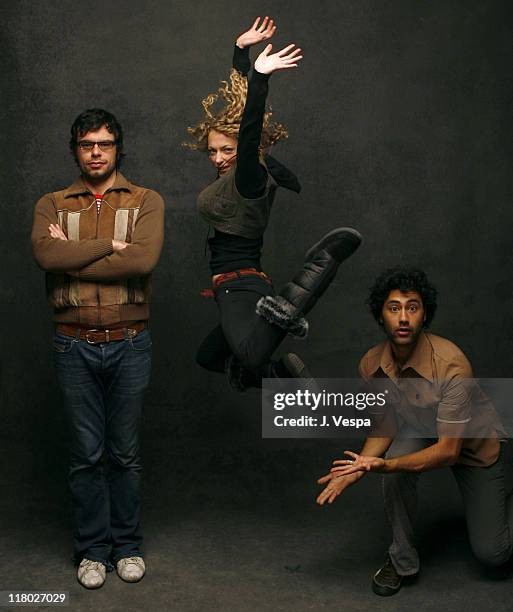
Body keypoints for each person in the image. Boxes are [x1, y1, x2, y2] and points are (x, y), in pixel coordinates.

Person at [186, 17, 362, 390]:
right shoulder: (234, 176)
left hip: (240, 285)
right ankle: (280, 375)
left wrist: (261, 79)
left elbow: (249, 130)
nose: (218, 158)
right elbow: (237, 111)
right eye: (213, 150)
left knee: (249, 355)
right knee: (210, 357)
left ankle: (313, 273)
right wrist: (239, 53)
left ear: (245, 151)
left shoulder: (249, 177)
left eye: (227, 150)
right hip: (241, 284)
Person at [31, 108, 164, 589]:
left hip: (131, 343)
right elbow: (46, 254)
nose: (95, 152)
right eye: (87, 144)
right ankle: (92, 551)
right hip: (73, 345)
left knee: (124, 453)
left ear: (116, 148)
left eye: (104, 144)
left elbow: (144, 259)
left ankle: (127, 547)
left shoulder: (147, 200)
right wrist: (113, 247)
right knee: (86, 454)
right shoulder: (52, 203)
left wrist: (76, 253)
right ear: (76, 149)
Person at [316, 267, 511, 596]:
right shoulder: (371, 364)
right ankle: (402, 559)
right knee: (393, 465)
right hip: (423, 429)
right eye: (394, 308)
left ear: (424, 315)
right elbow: (386, 425)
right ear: (381, 315)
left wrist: (385, 465)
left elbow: (449, 451)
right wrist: (360, 465)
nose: (403, 317)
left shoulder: (451, 365)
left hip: (472, 446)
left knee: (493, 553)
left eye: (412, 307)